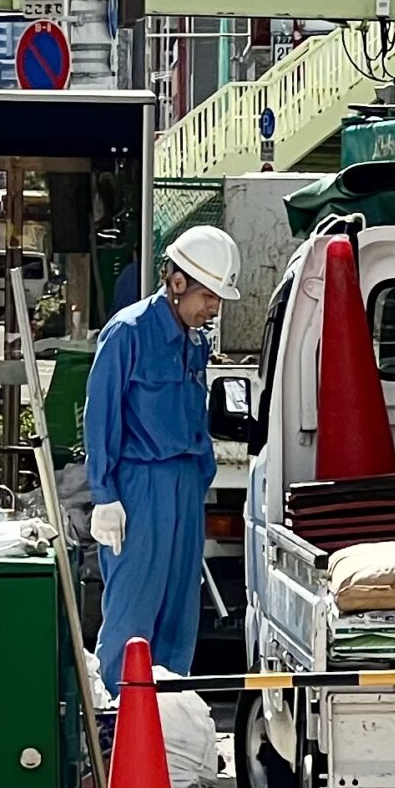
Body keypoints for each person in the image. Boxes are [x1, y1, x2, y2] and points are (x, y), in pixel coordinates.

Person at [84, 224, 240, 699]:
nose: (214, 308)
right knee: (133, 615)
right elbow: (100, 414)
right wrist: (105, 495)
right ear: (177, 282)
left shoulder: (195, 342)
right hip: (139, 487)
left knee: (178, 616)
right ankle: (117, 724)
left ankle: (169, 725)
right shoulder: (128, 332)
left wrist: (199, 480)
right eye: (208, 296)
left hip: (185, 486)